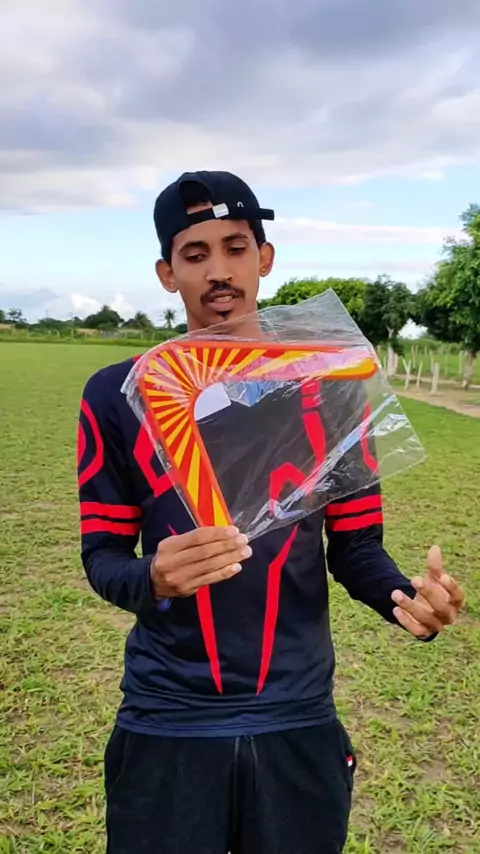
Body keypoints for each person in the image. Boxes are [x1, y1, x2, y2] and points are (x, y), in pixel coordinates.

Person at [77, 170, 465, 854]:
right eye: (195, 254)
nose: (218, 271)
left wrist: (404, 597)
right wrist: (154, 577)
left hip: (298, 713)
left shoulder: (329, 383)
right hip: (168, 714)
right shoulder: (118, 394)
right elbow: (103, 560)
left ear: (265, 258)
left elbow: (357, 548)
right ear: (168, 273)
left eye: (236, 247)